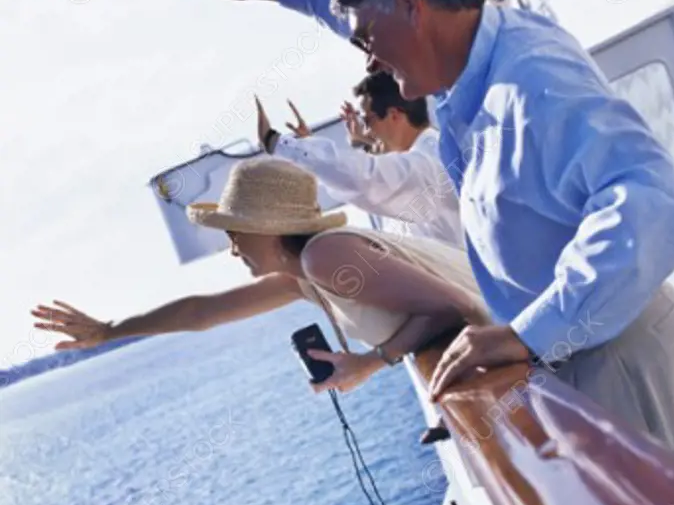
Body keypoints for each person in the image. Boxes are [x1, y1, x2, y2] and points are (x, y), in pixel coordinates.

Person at [185, 0, 674, 453]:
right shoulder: (467, 54)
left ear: (412, 5)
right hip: (577, 349)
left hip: (616, 358)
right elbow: (345, 6)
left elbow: (651, 200)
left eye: (368, 40)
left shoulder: (532, 83)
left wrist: (530, 335)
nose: (369, 59)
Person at [32, 158, 487, 395]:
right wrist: (109, 331)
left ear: (265, 230)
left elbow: (455, 307)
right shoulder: (306, 272)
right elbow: (203, 312)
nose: (231, 248)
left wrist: (371, 362)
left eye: (234, 234)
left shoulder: (325, 257)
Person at [255, 71, 463, 246]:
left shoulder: (427, 165)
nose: (366, 128)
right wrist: (361, 145)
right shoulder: (431, 153)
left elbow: (363, 177)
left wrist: (277, 143)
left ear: (394, 115)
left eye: (367, 119)